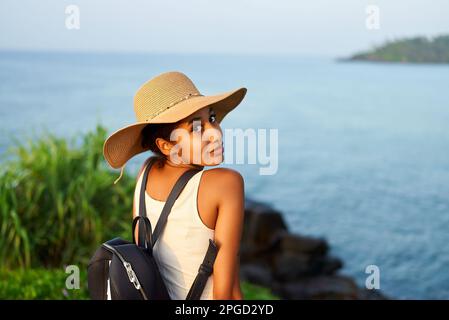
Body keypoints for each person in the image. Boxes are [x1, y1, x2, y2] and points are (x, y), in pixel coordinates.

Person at [103, 71, 247, 300]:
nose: (215, 133)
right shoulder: (226, 183)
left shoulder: (146, 172)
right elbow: (226, 293)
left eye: (211, 119)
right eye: (196, 128)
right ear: (166, 146)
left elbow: (144, 250)